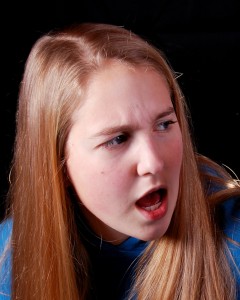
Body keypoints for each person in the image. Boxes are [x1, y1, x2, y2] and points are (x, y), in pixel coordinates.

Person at [0, 22, 239, 300]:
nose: (153, 163)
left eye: (163, 124)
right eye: (118, 139)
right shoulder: (10, 259)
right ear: (59, 165)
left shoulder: (232, 242)